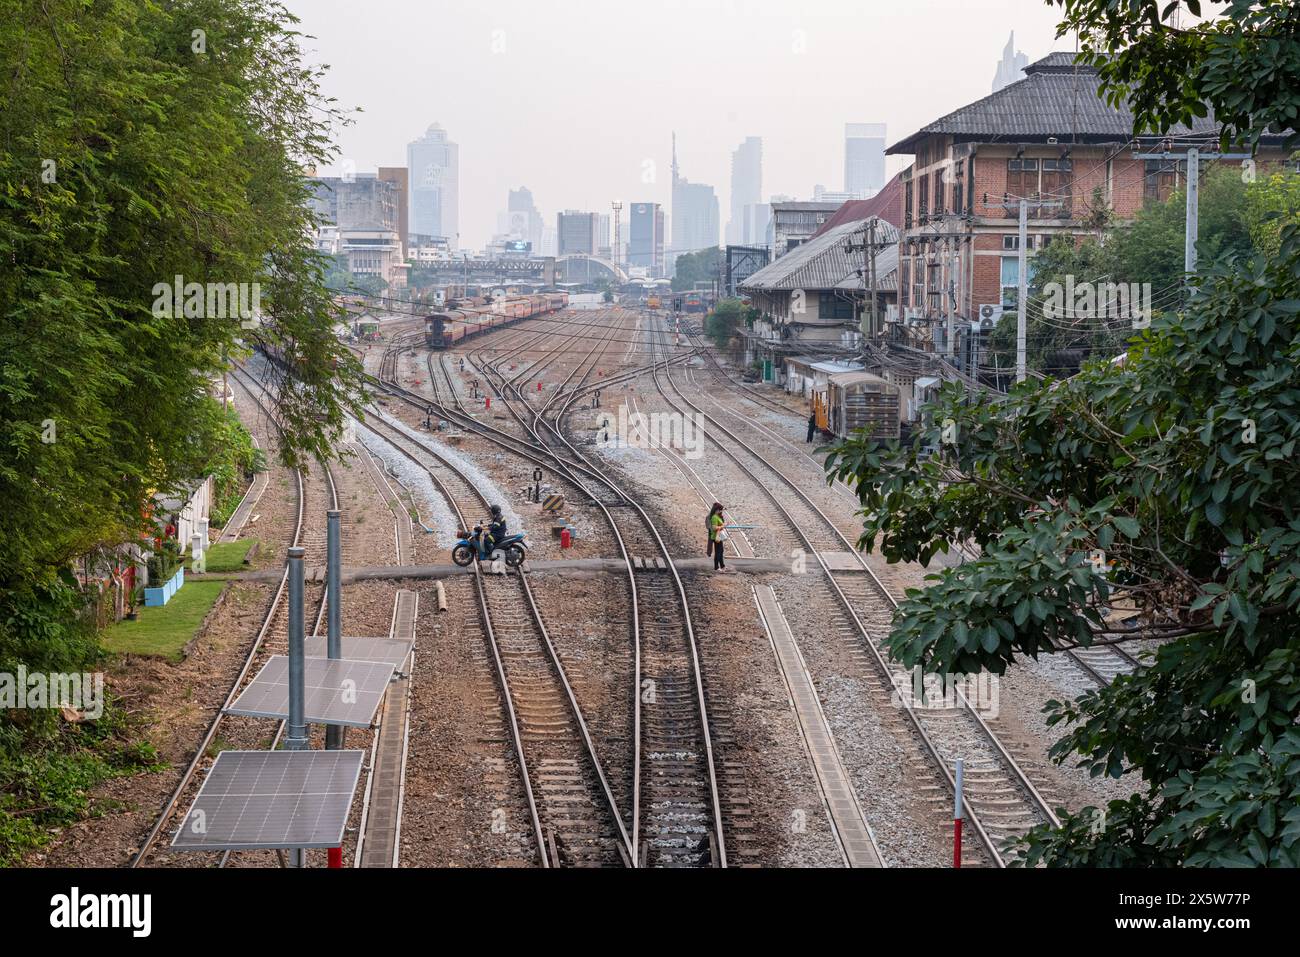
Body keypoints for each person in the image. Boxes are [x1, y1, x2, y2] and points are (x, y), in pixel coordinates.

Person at [708, 503, 727, 571]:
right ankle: (717, 567)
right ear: (717, 510)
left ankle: (722, 566)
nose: (721, 511)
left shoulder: (717, 516)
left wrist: (724, 524)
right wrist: (723, 526)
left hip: (719, 536)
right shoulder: (714, 517)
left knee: (720, 551)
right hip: (716, 536)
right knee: (718, 552)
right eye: (720, 510)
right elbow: (714, 528)